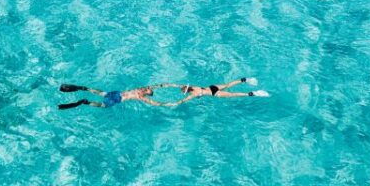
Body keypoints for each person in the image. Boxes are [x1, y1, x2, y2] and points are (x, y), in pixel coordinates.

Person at [57, 78, 268, 110]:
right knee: (101, 105)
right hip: (118, 99)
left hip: (117, 93)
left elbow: (163, 86)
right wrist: (165, 105)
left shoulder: (139, 90)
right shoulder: (141, 95)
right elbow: (154, 98)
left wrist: (173, 97)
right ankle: (84, 101)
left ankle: (83, 91)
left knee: (100, 92)